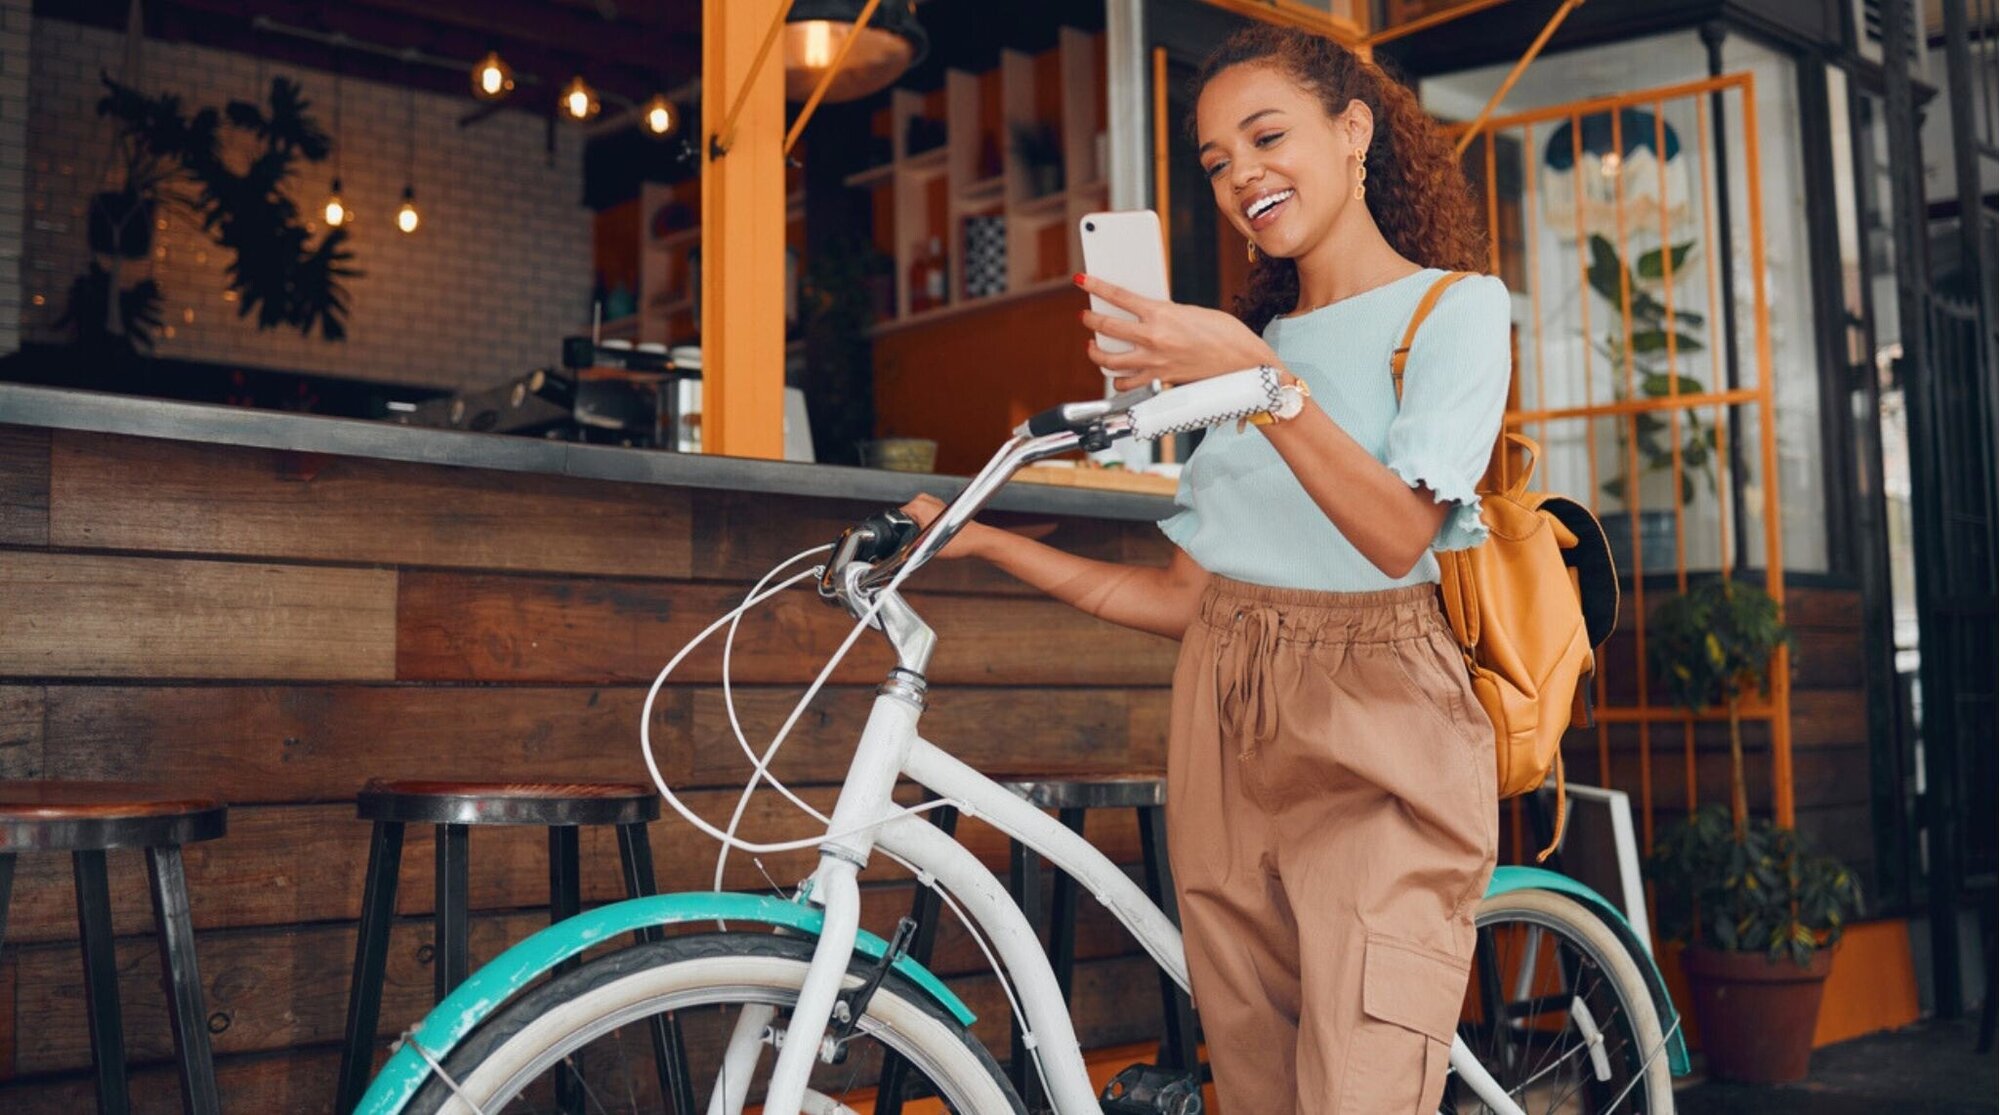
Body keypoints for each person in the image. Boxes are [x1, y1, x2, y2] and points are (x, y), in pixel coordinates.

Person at [904, 22, 1507, 1114]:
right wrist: (985, 537)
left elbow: (1397, 535)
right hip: (1222, 718)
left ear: (1352, 127)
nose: (1240, 177)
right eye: (1216, 163)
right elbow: (1187, 598)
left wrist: (1262, 380)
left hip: (1380, 727)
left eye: (1265, 136)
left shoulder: (1451, 311)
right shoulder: (1241, 343)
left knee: (1361, 1083)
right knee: (1261, 1082)